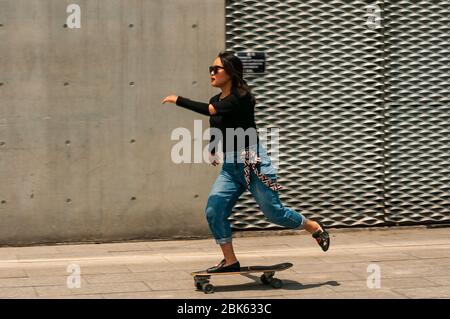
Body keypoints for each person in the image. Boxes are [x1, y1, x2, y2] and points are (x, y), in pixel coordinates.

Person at [162, 51, 330, 273]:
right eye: (210, 69)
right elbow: (216, 123)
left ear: (230, 72)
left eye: (216, 69)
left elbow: (211, 111)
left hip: (253, 163)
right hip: (230, 168)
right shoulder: (217, 100)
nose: (211, 73)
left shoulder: (242, 97)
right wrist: (213, 149)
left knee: (274, 214)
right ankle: (230, 261)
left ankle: (312, 226)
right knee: (214, 209)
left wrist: (178, 100)